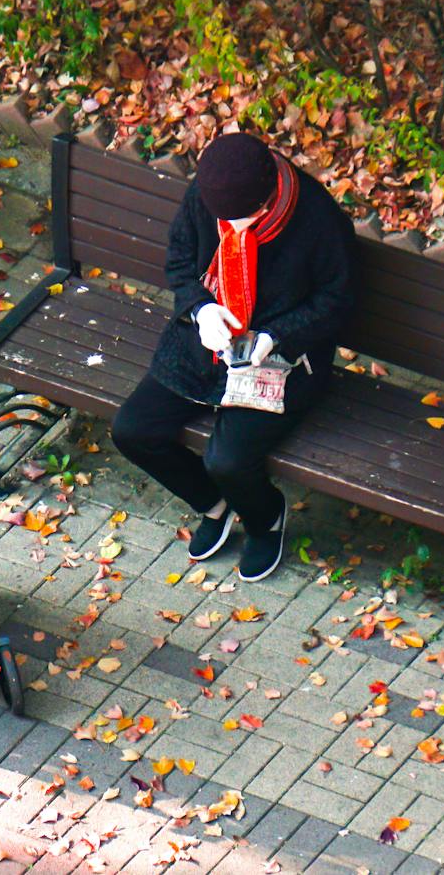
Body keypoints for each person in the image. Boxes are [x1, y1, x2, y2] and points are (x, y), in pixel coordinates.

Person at [110, 131, 356, 582]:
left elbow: (339, 299)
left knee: (227, 460)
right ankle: (214, 504)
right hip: (204, 344)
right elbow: (181, 260)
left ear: (269, 198)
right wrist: (201, 309)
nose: (237, 231)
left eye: (249, 218)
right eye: (227, 220)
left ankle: (266, 518)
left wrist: (277, 335)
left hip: (285, 360)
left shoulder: (317, 218)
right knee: (132, 430)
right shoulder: (207, 194)